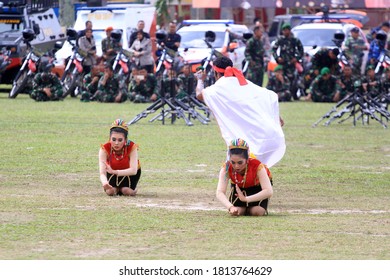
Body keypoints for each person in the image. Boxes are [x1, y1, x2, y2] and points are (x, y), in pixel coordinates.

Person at [196, 56, 285, 168]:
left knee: (237, 164)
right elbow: (265, 96)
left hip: (245, 137)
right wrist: (275, 117)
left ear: (215, 72)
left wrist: (200, 79)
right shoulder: (243, 82)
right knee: (249, 166)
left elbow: (199, 95)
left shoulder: (218, 88)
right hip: (263, 134)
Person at [216, 138, 273, 216]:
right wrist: (231, 207)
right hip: (239, 188)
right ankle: (244, 209)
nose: (236, 166)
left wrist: (246, 199)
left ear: (247, 159)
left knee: (257, 212)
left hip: (257, 188)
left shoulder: (257, 166)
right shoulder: (226, 168)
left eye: (240, 163)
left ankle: (250, 208)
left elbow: (268, 191)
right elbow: (220, 192)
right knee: (237, 212)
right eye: (233, 162)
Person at [99, 119, 141, 196]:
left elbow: (133, 170)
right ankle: (117, 189)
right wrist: (104, 182)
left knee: (126, 191)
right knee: (110, 192)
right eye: (113, 139)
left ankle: (130, 190)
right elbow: (102, 172)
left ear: (125, 140)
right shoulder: (104, 149)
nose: (116, 143)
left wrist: (115, 172)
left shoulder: (131, 147)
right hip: (111, 172)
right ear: (109, 138)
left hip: (129, 174)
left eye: (120, 140)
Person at [271, 23, 304, 88]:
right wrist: (277, 58)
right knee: (281, 77)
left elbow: (301, 50)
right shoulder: (280, 39)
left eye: (286, 30)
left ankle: (292, 92)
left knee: (292, 78)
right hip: (282, 63)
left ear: (289, 30)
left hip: (291, 63)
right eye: (283, 30)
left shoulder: (294, 40)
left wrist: (296, 58)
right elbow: (273, 49)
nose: (284, 32)